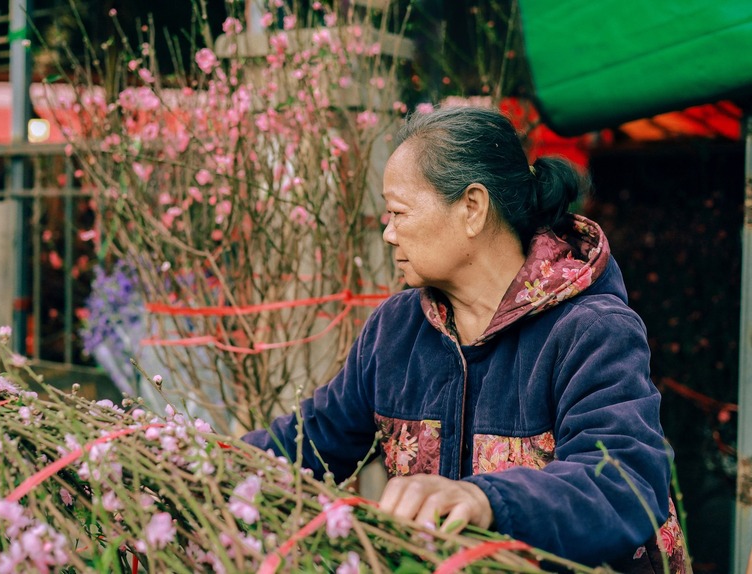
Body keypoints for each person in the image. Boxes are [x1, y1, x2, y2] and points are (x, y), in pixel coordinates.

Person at [243, 105, 689, 572]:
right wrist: (193, 457)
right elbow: (310, 442)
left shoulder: (588, 330)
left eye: (398, 212)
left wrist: (485, 499)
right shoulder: (396, 330)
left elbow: (625, 481)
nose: (389, 234)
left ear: (472, 208)